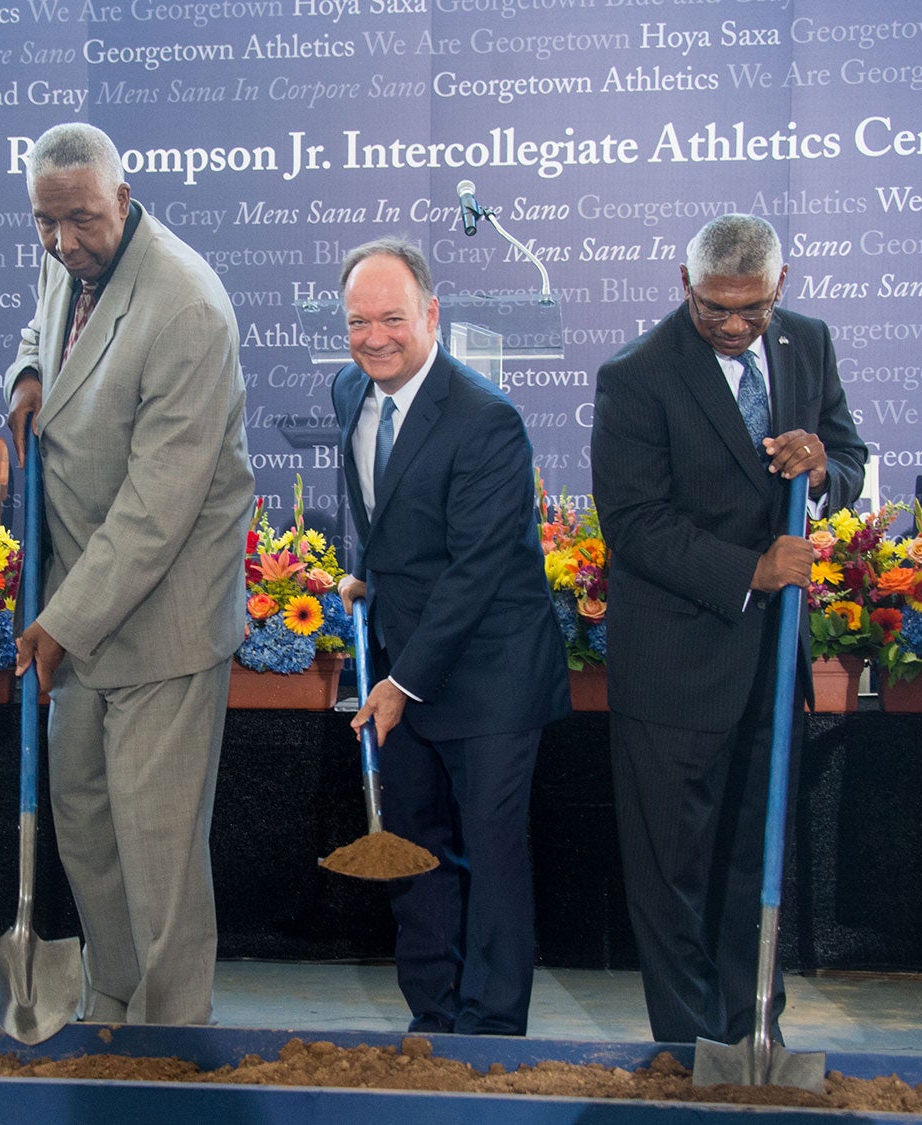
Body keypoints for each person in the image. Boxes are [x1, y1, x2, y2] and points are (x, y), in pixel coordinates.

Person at [592, 213, 866, 1044]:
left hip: (771, 666)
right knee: (673, 872)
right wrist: (751, 570)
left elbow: (849, 461)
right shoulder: (636, 374)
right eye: (716, 309)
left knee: (757, 861)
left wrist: (824, 468)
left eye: (752, 309)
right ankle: (685, 1047)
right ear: (685, 285)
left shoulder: (807, 345)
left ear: (781, 287)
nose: (736, 325)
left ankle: (753, 1033)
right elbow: (634, 523)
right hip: (674, 664)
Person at [4, 122, 252, 1025]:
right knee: (85, 820)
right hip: (82, 600)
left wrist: (62, 621)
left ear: (123, 195)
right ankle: (115, 1006)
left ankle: (173, 1041)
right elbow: (43, 330)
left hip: (161, 616)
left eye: (80, 221)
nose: (63, 242)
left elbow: (157, 506)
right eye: (45, 223)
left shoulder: (187, 306)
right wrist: (29, 374)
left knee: (157, 848)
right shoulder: (62, 253)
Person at [329, 239, 571, 1034]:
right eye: (359, 320)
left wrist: (401, 683)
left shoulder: (486, 418)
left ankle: (493, 1033)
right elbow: (395, 510)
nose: (374, 337)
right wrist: (374, 574)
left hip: (492, 673)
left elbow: (475, 571)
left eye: (392, 318)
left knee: (493, 859)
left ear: (431, 315)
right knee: (412, 848)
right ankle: (434, 1020)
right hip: (409, 662)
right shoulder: (347, 391)